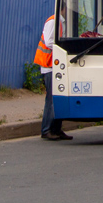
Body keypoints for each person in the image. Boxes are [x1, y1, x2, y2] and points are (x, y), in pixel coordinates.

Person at [34, 12, 72, 141]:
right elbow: (49, 41)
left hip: (55, 66)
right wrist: (64, 48)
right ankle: (46, 130)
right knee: (51, 99)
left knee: (58, 98)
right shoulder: (53, 21)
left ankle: (56, 129)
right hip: (49, 65)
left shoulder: (61, 22)